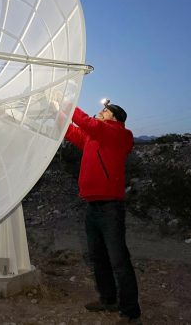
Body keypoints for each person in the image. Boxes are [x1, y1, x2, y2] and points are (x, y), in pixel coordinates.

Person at [63, 100, 142, 324]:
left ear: (115, 119)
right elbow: (71, 131)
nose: (101, 112)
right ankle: (108, 300)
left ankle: (131, 312)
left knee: (118, 260)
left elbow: (86, 122)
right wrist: (55, 113)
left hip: (110, 208)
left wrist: (65, 103)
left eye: (105, 111)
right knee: (98, 257)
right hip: (93, 206)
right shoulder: (94, 137)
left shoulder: (119, 134)